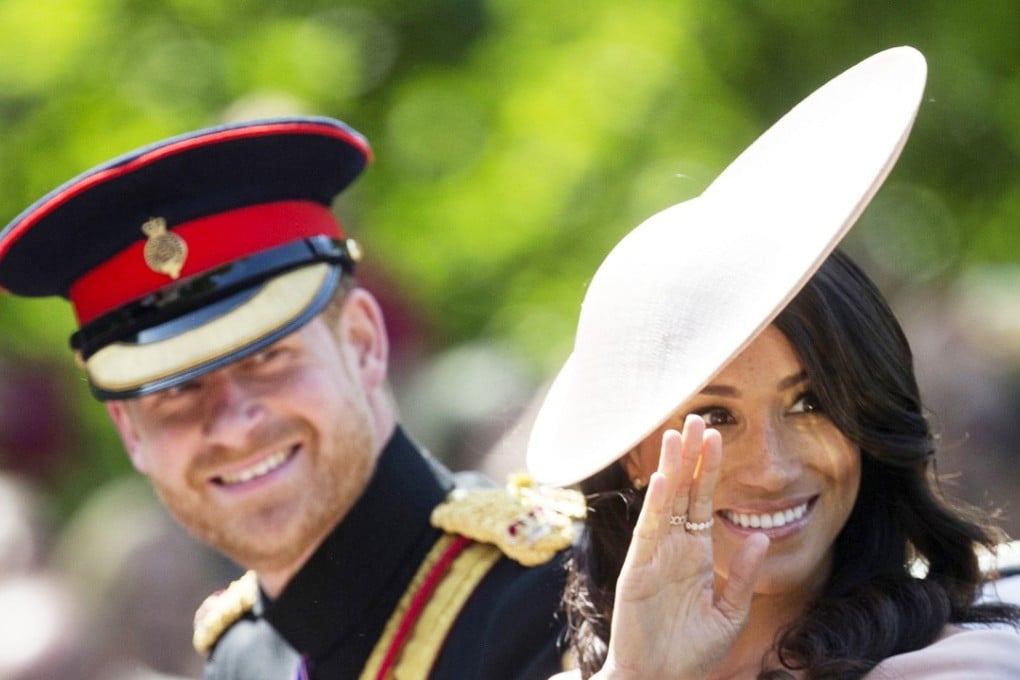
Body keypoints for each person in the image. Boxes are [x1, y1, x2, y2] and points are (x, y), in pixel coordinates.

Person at [0, 117, 578, 679]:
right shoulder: (240, 655)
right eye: (177, 390)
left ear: (362, 342)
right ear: (131, 434)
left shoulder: (555, 596)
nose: (230, 423)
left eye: (266, 360)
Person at [525, 47, 1020, 679]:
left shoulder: (966, 668)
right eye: (715, 417)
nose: (772, 468)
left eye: (810, 403)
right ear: (633, 454)